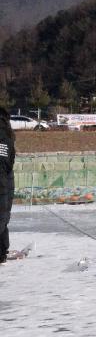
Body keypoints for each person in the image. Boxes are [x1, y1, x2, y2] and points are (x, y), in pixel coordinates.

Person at [0, 107, 15, 264]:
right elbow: (11, 160)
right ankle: (2, 252)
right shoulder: (8, 135)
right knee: (3, 218)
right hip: (5, 180)